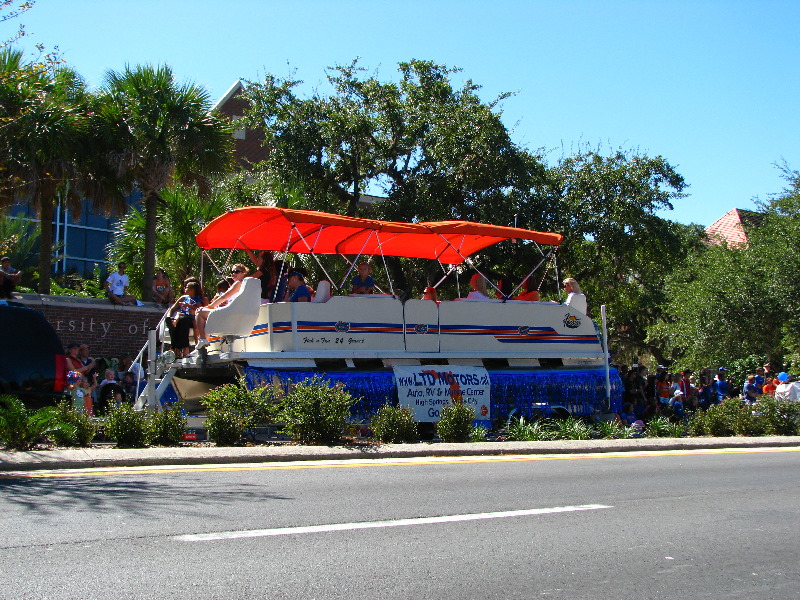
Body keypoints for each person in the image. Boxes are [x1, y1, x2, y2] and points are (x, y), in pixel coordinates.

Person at [192, 264, 249, 350]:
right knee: (205, 317)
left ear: (243, 273)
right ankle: (203, 345)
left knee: (200, 313)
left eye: (236, 271)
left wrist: (210, 306)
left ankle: (203, 340)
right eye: (232, 272)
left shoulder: (238, 283)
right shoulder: (246, 285)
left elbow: (223, 297)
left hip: (230, 315)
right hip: (236, 313)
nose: (233, 274)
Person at [166, 280, 205, 358]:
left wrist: (189, 307)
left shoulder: (197, 299)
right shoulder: (184, 298)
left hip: (191, 318)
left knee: (183, 320)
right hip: (182, 316)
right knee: (176, 321)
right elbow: (172, 309)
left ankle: (183, 349)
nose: (184, 289)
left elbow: (200, 308)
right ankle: (177, 348)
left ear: (192, 289)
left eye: (186, 287)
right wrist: (169, 317)